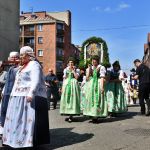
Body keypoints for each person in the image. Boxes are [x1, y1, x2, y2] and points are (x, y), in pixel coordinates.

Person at [2, 46, 50, 148]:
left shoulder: (34, 64)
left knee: (25, 121)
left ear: (28, 55)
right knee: (16, 120)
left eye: (22, 55)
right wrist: (11, 95)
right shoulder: (22, 67)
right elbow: (16, 82)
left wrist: (31, 93)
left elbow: (35, 80)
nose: (21, 57)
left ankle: (25, 142)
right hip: (16, 97)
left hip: (25, 98)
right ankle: (15, 140)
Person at [82, 55, 107, 123]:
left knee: (97, 98)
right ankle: (92, 114)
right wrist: (89, 69)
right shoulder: (90, 68)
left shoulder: (101, 67)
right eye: (92, 60)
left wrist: (102, 87)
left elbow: (102, 77)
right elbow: (87, 79)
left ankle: (96, 115)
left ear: (97, 61)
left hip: (98, 83)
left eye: (95, 60)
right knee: (90, 99)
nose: (93, 61)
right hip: (91, 84)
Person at [0, 52, 20, 134]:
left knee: (12, 113)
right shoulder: (10, 68)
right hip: (6, 93)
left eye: (15, 57)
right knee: (3, 110)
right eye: (12, 57)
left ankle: (11, 131)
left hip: (15, 94)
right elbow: (8, 82)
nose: (14, 59)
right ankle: (3, 129)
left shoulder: (20, 68)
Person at [60, 57, 80, 123]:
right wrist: (62, 87)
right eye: (70, 62)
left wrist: (73, 70)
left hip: (74, 84)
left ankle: (71, 115)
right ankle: (68, 114)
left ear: (74, 63)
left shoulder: (77, 70)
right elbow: (64, 79)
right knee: (66, 99)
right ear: (68, 63)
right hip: (66, 84)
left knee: (73, 99)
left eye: (72, 62)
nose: (71, 63)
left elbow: (76, 77)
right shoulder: (66, 69)